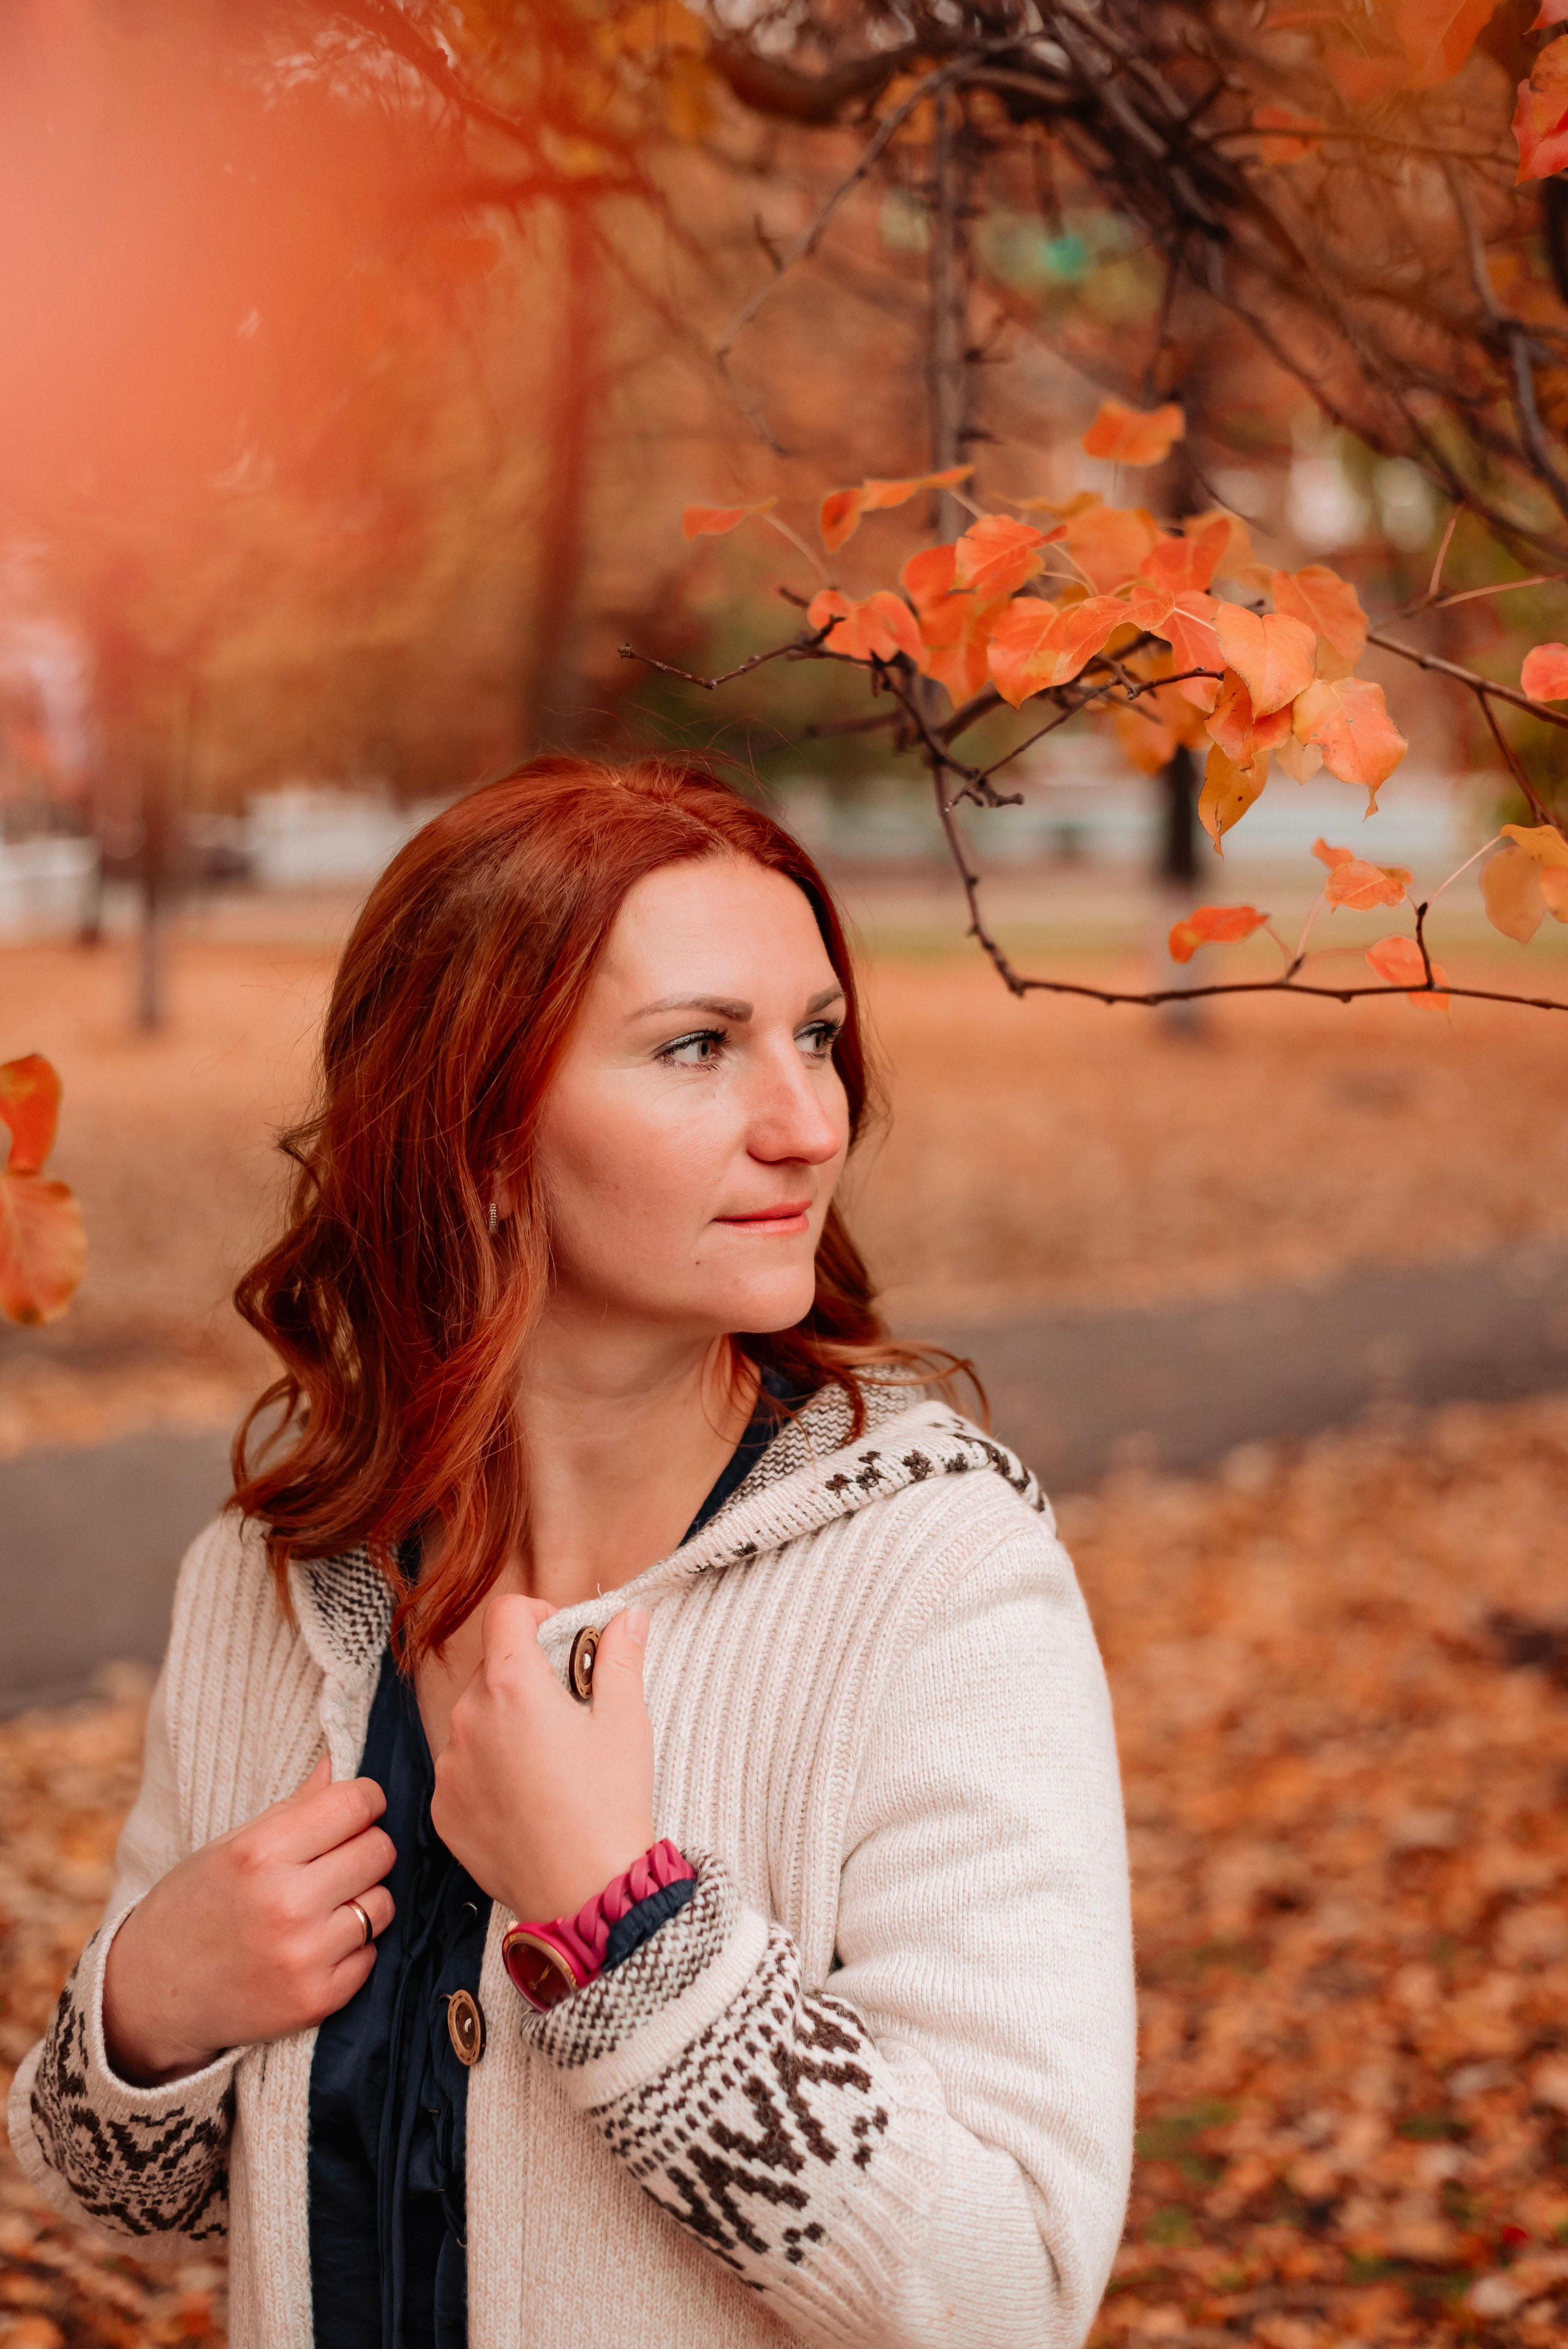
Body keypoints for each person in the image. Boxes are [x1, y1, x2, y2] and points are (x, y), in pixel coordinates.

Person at [8, 757, 1135, 2348]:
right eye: (700, 1046)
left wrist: (627, 1929)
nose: (811, 1123)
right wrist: (145, 2008)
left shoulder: (935, 1578)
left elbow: (1006, 2292)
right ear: (471, 1127)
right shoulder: (278, 1580)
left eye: (816, 1035)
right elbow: (115, 2190)